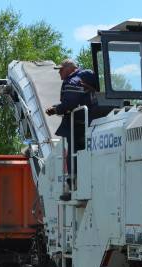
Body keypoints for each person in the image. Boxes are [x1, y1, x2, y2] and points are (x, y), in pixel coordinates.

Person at [45, 59, 98, 188]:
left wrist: (55, 109)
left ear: (70, 69)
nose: (59, 73)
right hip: (90, 121)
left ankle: (73, 180)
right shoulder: (88, 76)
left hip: (77, 124)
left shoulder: (72, 81)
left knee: (73, 150)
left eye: (61, 70)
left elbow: (70, 103)